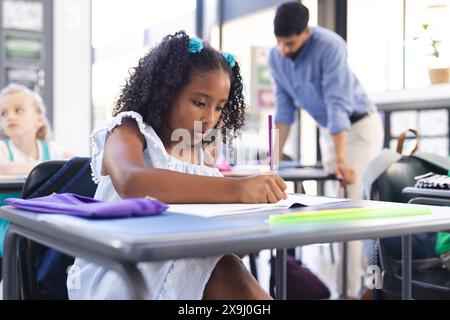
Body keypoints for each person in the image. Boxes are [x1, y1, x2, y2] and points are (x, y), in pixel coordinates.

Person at [67, 31, 287, 300]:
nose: (210, 119)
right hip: (118, 268)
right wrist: (238, 189)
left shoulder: (198, 157)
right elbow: (133, 182)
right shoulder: (129, 131)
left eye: (219, 108)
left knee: (225, 263)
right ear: (165, 93)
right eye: (199, 103)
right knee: (223, 268)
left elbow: (222, 240)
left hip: (174, 261)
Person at [268, 2, 384, 298]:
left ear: (306, 32)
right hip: (329, 133)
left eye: (290, 42)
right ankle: (365, 288)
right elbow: (283, 112)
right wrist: (271, 162)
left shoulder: (330, 45)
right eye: (279, 42)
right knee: (339, 213)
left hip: (356, 128)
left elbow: (337, 105)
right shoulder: (276, 57)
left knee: (351, 211)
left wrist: (341, 159)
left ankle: (350, 293)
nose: (283, 49)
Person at [0, 83, 73, 274]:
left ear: (39, 119)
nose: (10, 116)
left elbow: (74, 163)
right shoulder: (3, 148)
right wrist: (45, 168)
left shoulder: (51, 148)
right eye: (3, 113)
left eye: (18, 110)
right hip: (7, 221)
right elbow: (5, 167)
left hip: (43, 219)